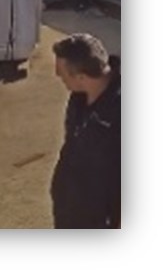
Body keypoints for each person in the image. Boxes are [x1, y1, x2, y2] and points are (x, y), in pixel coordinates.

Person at [51, 33, 121, 229]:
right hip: (70, 211)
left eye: (62, 74)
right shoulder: (78, 97)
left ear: (81, 77)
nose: (59, 78)